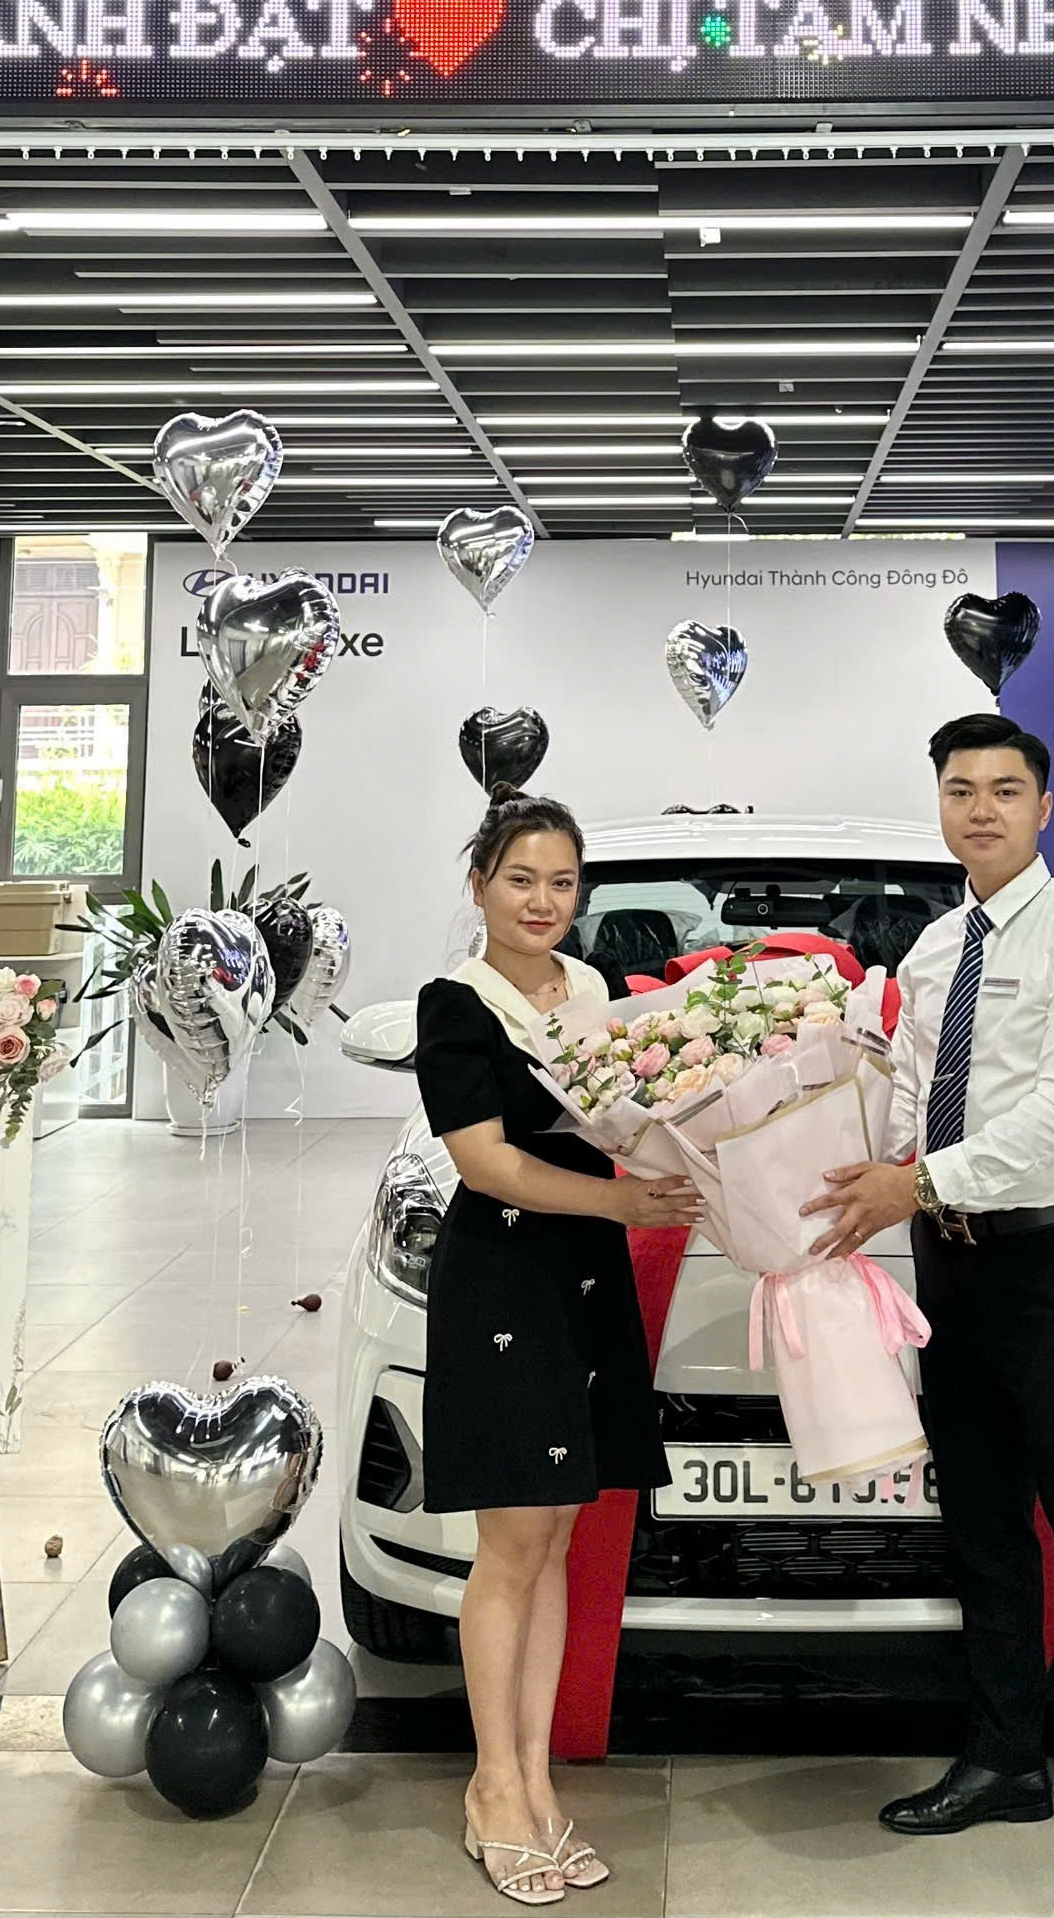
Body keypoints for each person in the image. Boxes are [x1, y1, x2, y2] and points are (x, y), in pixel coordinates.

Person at [801, 714, 1054, 1918]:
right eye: (960, 790)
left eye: (1005, 789)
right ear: (941, 806)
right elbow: (907, 1100)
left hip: (1052, 1263)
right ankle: (1004, 1758)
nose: (981, 809)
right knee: (985, 1529)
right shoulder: (932, 947)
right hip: (947, 1266)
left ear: (1043, 808)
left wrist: (914, 1182)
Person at [415, 785, 702, 1906]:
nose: (542, 900)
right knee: (511, 1539)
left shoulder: (593, 992)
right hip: (504, 1271)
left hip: (584, 1274)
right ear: (479, 883)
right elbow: (483, 1160)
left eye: (562, 882)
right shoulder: (455, 1002)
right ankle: (491, 1786)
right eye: (521, 878)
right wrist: (620, 1201)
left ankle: (536, 1779)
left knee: (559, 1536)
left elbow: (641, 1110)